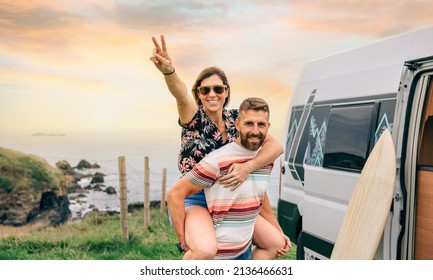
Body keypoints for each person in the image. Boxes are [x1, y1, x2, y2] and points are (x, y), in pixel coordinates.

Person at [150, 35, 290, 259]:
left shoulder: (238, 119)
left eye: (217, 89)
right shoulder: (193, 118)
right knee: (206, 251)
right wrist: (169, 71)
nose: (211, 94)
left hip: (231, 196)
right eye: (205, 90)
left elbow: (275, 147)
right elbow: (180, 94)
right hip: (197, 199)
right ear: (199, 94)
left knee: (273, 243)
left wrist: (248, 167)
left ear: (226, 92)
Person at [167, 97, 290, 259]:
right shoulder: (217, 161)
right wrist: (184, 242)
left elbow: (259, 197)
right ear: (237, 124)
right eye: (248, 124)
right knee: (204, 250)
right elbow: (174, 194)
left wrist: (278, 231)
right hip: (213, 255)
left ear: (268, 127)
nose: (255, 131)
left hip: (241, 248)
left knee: (276, 244)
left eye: (261, 124)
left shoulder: (265, 159)